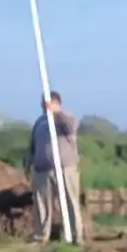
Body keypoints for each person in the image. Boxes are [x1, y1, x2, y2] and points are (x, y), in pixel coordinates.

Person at [25, 92, 82, 243]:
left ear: (57, 103)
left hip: (65, 168)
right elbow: (33, 146)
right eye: (42, 103)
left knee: (70, 202)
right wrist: (28, 164)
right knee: (42, 204)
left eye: (47, 103)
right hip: (42, 170)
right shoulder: (39, 122)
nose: (44, 106)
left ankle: (76, 237)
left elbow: (69, 129)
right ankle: (40, 237)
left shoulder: (67, 117)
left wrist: (56, 114)